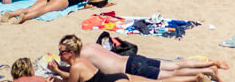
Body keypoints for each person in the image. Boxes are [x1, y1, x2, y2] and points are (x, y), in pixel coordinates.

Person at [59, 42, 226, 82]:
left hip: (131, 68)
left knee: (169, 76)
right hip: (134, 59)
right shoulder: (91, 46)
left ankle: (204, 74)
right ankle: (210, 64)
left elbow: (78, 74)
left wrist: (58, 70)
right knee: (175, 65)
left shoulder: (82, 59)